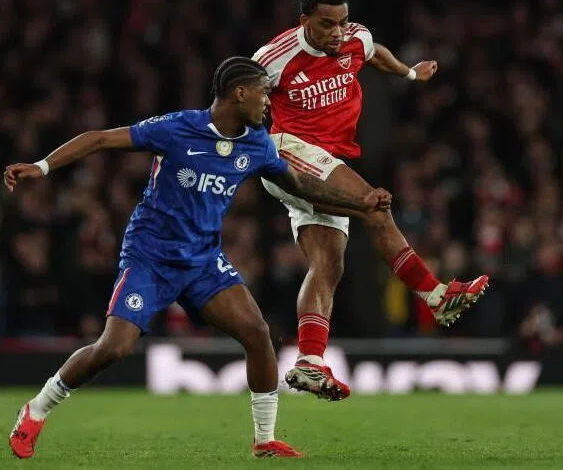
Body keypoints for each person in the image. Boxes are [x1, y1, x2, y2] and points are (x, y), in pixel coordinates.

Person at [4, 56, 392, 460]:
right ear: (239, 93)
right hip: (150, 256)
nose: (268, 102)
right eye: (263, 92)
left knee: (259, 334)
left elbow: (302, 185)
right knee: (114, 349)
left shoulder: (257, 143)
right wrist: (42, 165)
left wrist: (360, 202)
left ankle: (264, 440)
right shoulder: (177, 128)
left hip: (203, 260)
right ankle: (36, 409)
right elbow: (100, 138)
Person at [252, 0, 489, 401]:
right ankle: (434, 294)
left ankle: (309, 362)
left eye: (342, 22)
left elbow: (373, 51)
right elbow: (234, 96)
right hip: (287, 151)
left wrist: (409, 72)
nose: (337, 33)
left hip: (327, 163)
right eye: (326, 25)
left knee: (328, 266)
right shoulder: (273, 58)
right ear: (304, 20)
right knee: (374, 208)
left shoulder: (354, 39)